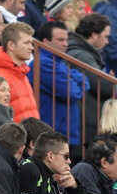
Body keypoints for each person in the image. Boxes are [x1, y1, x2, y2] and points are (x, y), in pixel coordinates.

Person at [28, 21, 88, 158]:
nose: (66, 44)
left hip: (63, 133)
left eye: (66, 40)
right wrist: (74, 81)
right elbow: (71, 91)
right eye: (60, 40)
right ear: (45, 42)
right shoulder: (43, 63)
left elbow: (85, 81)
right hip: (54, 135)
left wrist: (74, 81)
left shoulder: (58, 62)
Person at [66, 13, 113, 142]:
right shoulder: (81, 56)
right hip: (85, 124)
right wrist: (111, 82)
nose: (107, 41)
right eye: (105, 37)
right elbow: (105, 86)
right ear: (93, 35)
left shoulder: (81, 52)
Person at [0, 22, 39, 122]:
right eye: (26, 43)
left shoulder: (21, 72)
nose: (31, 47)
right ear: (11, 45)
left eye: (31, 43)